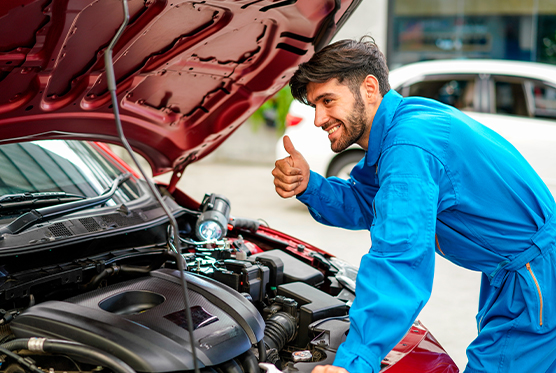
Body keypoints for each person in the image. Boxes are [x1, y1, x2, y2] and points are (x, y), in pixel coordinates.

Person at [272, 36, 556, 373]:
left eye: (328, 101)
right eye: (314, 106)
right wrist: (311, 185)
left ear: (369, 88)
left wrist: (355, 361)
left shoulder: (409, 145)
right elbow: (366, 201)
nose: (318, 119)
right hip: (515, 274)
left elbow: (399, 258)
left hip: (533, 278)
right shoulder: (401, 126)